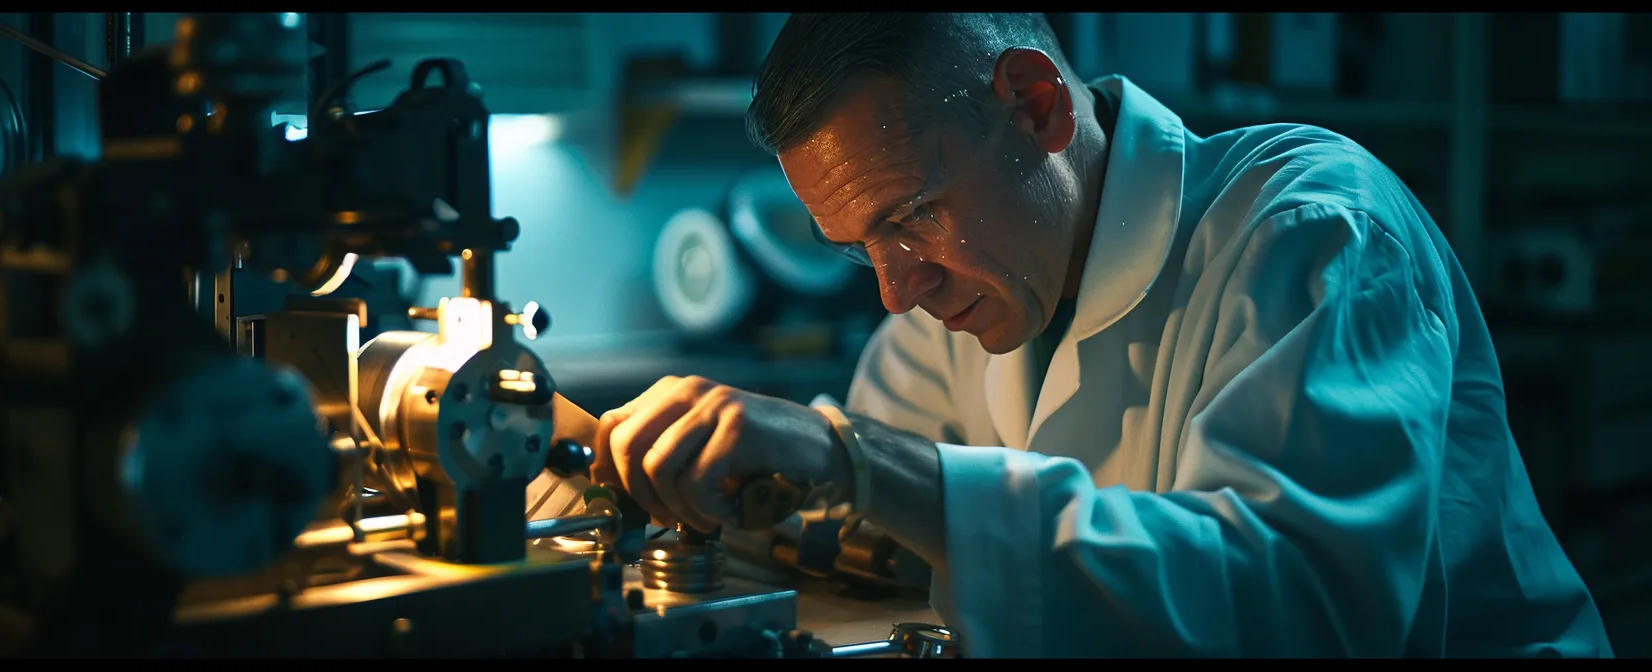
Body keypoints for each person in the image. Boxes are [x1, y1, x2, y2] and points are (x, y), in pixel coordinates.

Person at [587, 13, 1613, 658]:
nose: (896, 289)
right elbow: (869, 535)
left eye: (907, 215)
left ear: (1033, 107)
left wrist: (852, 460)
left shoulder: (1308, 225)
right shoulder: (967, 294)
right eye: (861, 249)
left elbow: (1300, 609)